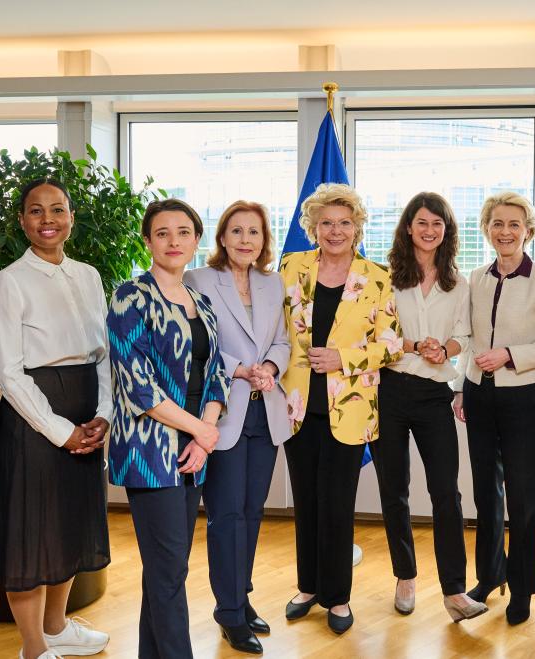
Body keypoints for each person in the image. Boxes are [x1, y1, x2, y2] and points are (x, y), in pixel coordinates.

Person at [0, 179, 112, 659]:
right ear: (22, 221)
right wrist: (62, 431)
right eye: (36, 211)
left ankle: (57, 628)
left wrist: (103, 415)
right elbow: (8, 373)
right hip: (34, 416)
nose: (48, 219)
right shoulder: (9, 282)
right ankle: (33, 647)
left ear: (71, 217)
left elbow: (104, 354)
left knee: (71, 526)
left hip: (87, 409)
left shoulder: (90, 275)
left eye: (57, 209)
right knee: (31, 533)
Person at [107, 198, 229, 659]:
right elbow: (139, 387)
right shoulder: (129, 297)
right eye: (162, 233)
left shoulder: (201, 301)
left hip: (194, 448)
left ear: (197, 240)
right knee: (167, 570)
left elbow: (217, 374)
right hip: (150, 450)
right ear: (148, 241)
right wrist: (201, 430)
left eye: (183, 232)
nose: (174, 241)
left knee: (167, 569)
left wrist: (205, 432)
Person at [280, 183, 404, 634]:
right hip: (296, 406)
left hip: (349, 407)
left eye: (344, 223)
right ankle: (308, 586)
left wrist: (343, 359)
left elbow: (392, 345)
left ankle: (338, 597)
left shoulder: (376, 276)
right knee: (306, 500)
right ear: (312, 227)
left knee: (337, 503)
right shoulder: (291, 267)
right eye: (326, 222)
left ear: (358, 227)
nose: (335, 230)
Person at [453, 192, 535, 625]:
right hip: (479, 395)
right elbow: (468, 340)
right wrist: (462, 387)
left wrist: (508, 355)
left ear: (528, 231)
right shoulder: (475, 278)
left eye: (514, 224)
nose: (505, 231)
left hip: (525, 398)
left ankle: (523, 589)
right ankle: (489, 575)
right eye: (497, 223)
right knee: (486, 494)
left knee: (523, 499)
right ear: (487, 229)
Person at [371, 191, 484, 623]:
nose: (429, 230)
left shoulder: (459, 283)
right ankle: (405, 577)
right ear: (408, 227)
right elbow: (376, 336)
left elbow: (464, 336)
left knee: (446, 493)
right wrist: (419, 345)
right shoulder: (385, 279)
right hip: (391, 393)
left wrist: (445, 350)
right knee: (394, 490)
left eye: (437, 223)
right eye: (422, 222)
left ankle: (454, 591)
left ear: (446, 230)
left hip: (435, 393)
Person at [184, 201, 291, 654]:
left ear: (264, 240)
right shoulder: (199, 280)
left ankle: (240, 597)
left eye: (255, 232)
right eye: (236, 231)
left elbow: (284, 339)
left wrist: (268, 365)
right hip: (222, 413)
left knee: (251, 512)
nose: (246, 239)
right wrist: (240, 368)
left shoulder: (273, 282)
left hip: (265, 413)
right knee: (226, 515)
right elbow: (196, 342)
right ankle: (227, 612)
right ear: (222, 238)